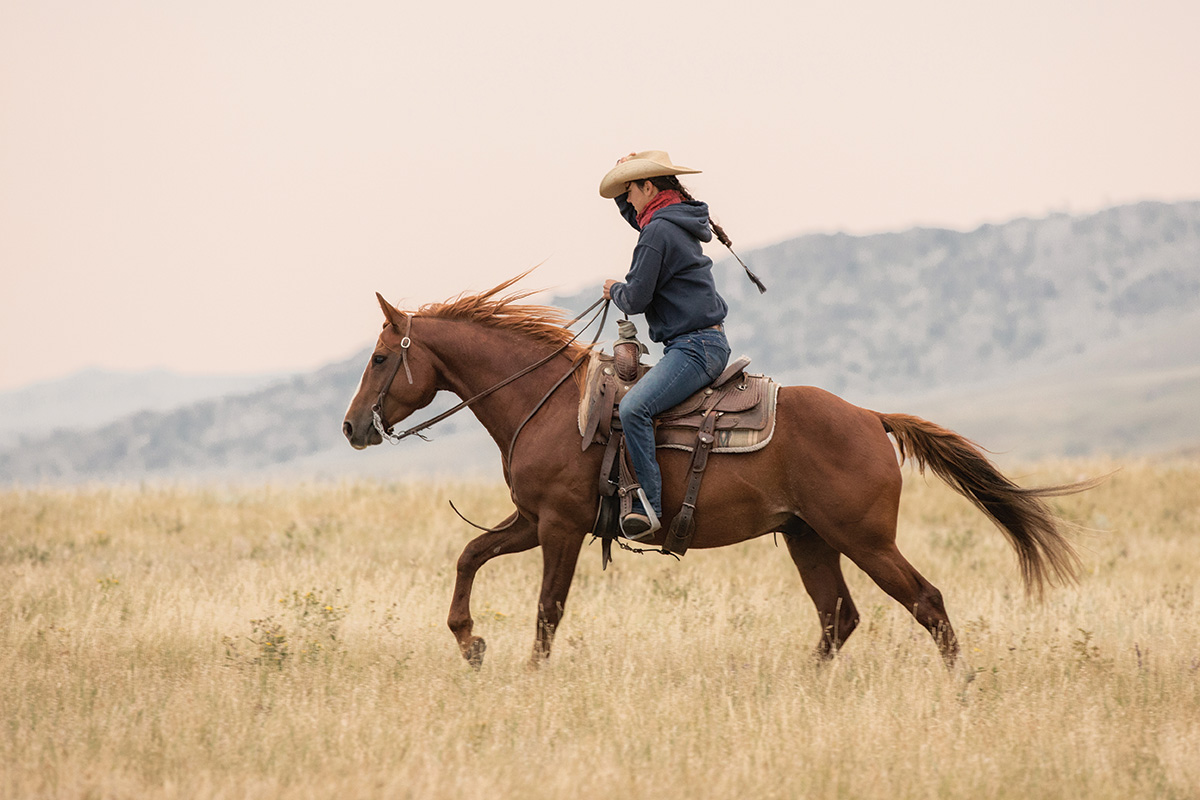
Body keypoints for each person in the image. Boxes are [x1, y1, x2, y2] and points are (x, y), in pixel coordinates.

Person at [599, 150, 732, 540]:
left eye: (631, 189)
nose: (628, 198)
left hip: (694, 348)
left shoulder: (658, 231)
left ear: (649, 186)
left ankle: (650, 508)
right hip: (703, 342)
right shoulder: (671, 222)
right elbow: (637, 219)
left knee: (636, 408)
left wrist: (615, 291)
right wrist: (627, 181)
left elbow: (636, 299)